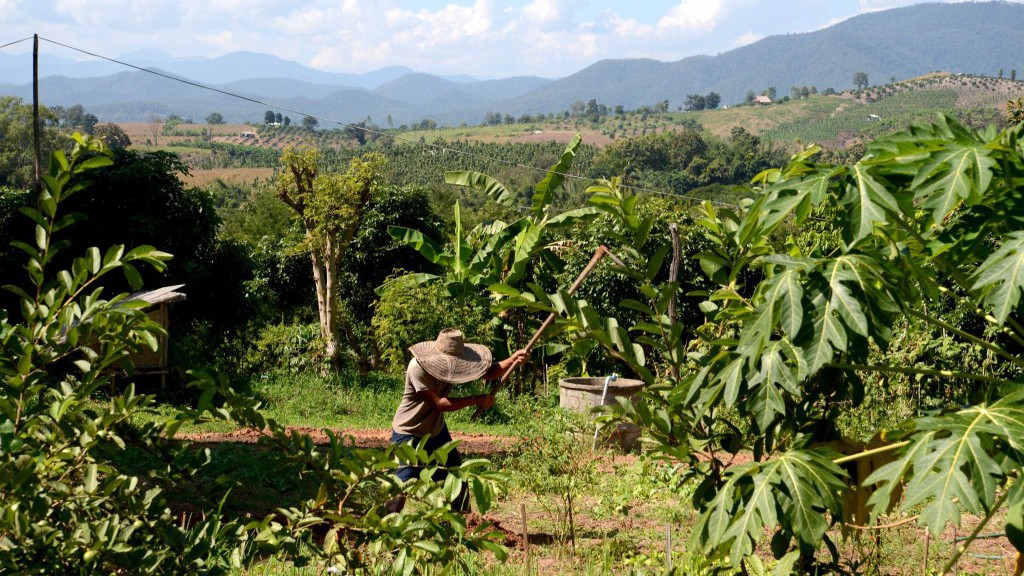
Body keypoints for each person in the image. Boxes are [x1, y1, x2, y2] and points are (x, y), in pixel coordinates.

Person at [386, 328, 527, 513]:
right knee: (399, 486)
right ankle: (385, 528)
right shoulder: (417, 367)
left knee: (457, 475)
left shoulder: (456, 362)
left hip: (436, 431)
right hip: (409, 431)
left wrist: (513, 360)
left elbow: (487, 372)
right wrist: (476, 399)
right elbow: (438, 403)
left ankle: (463, 524)